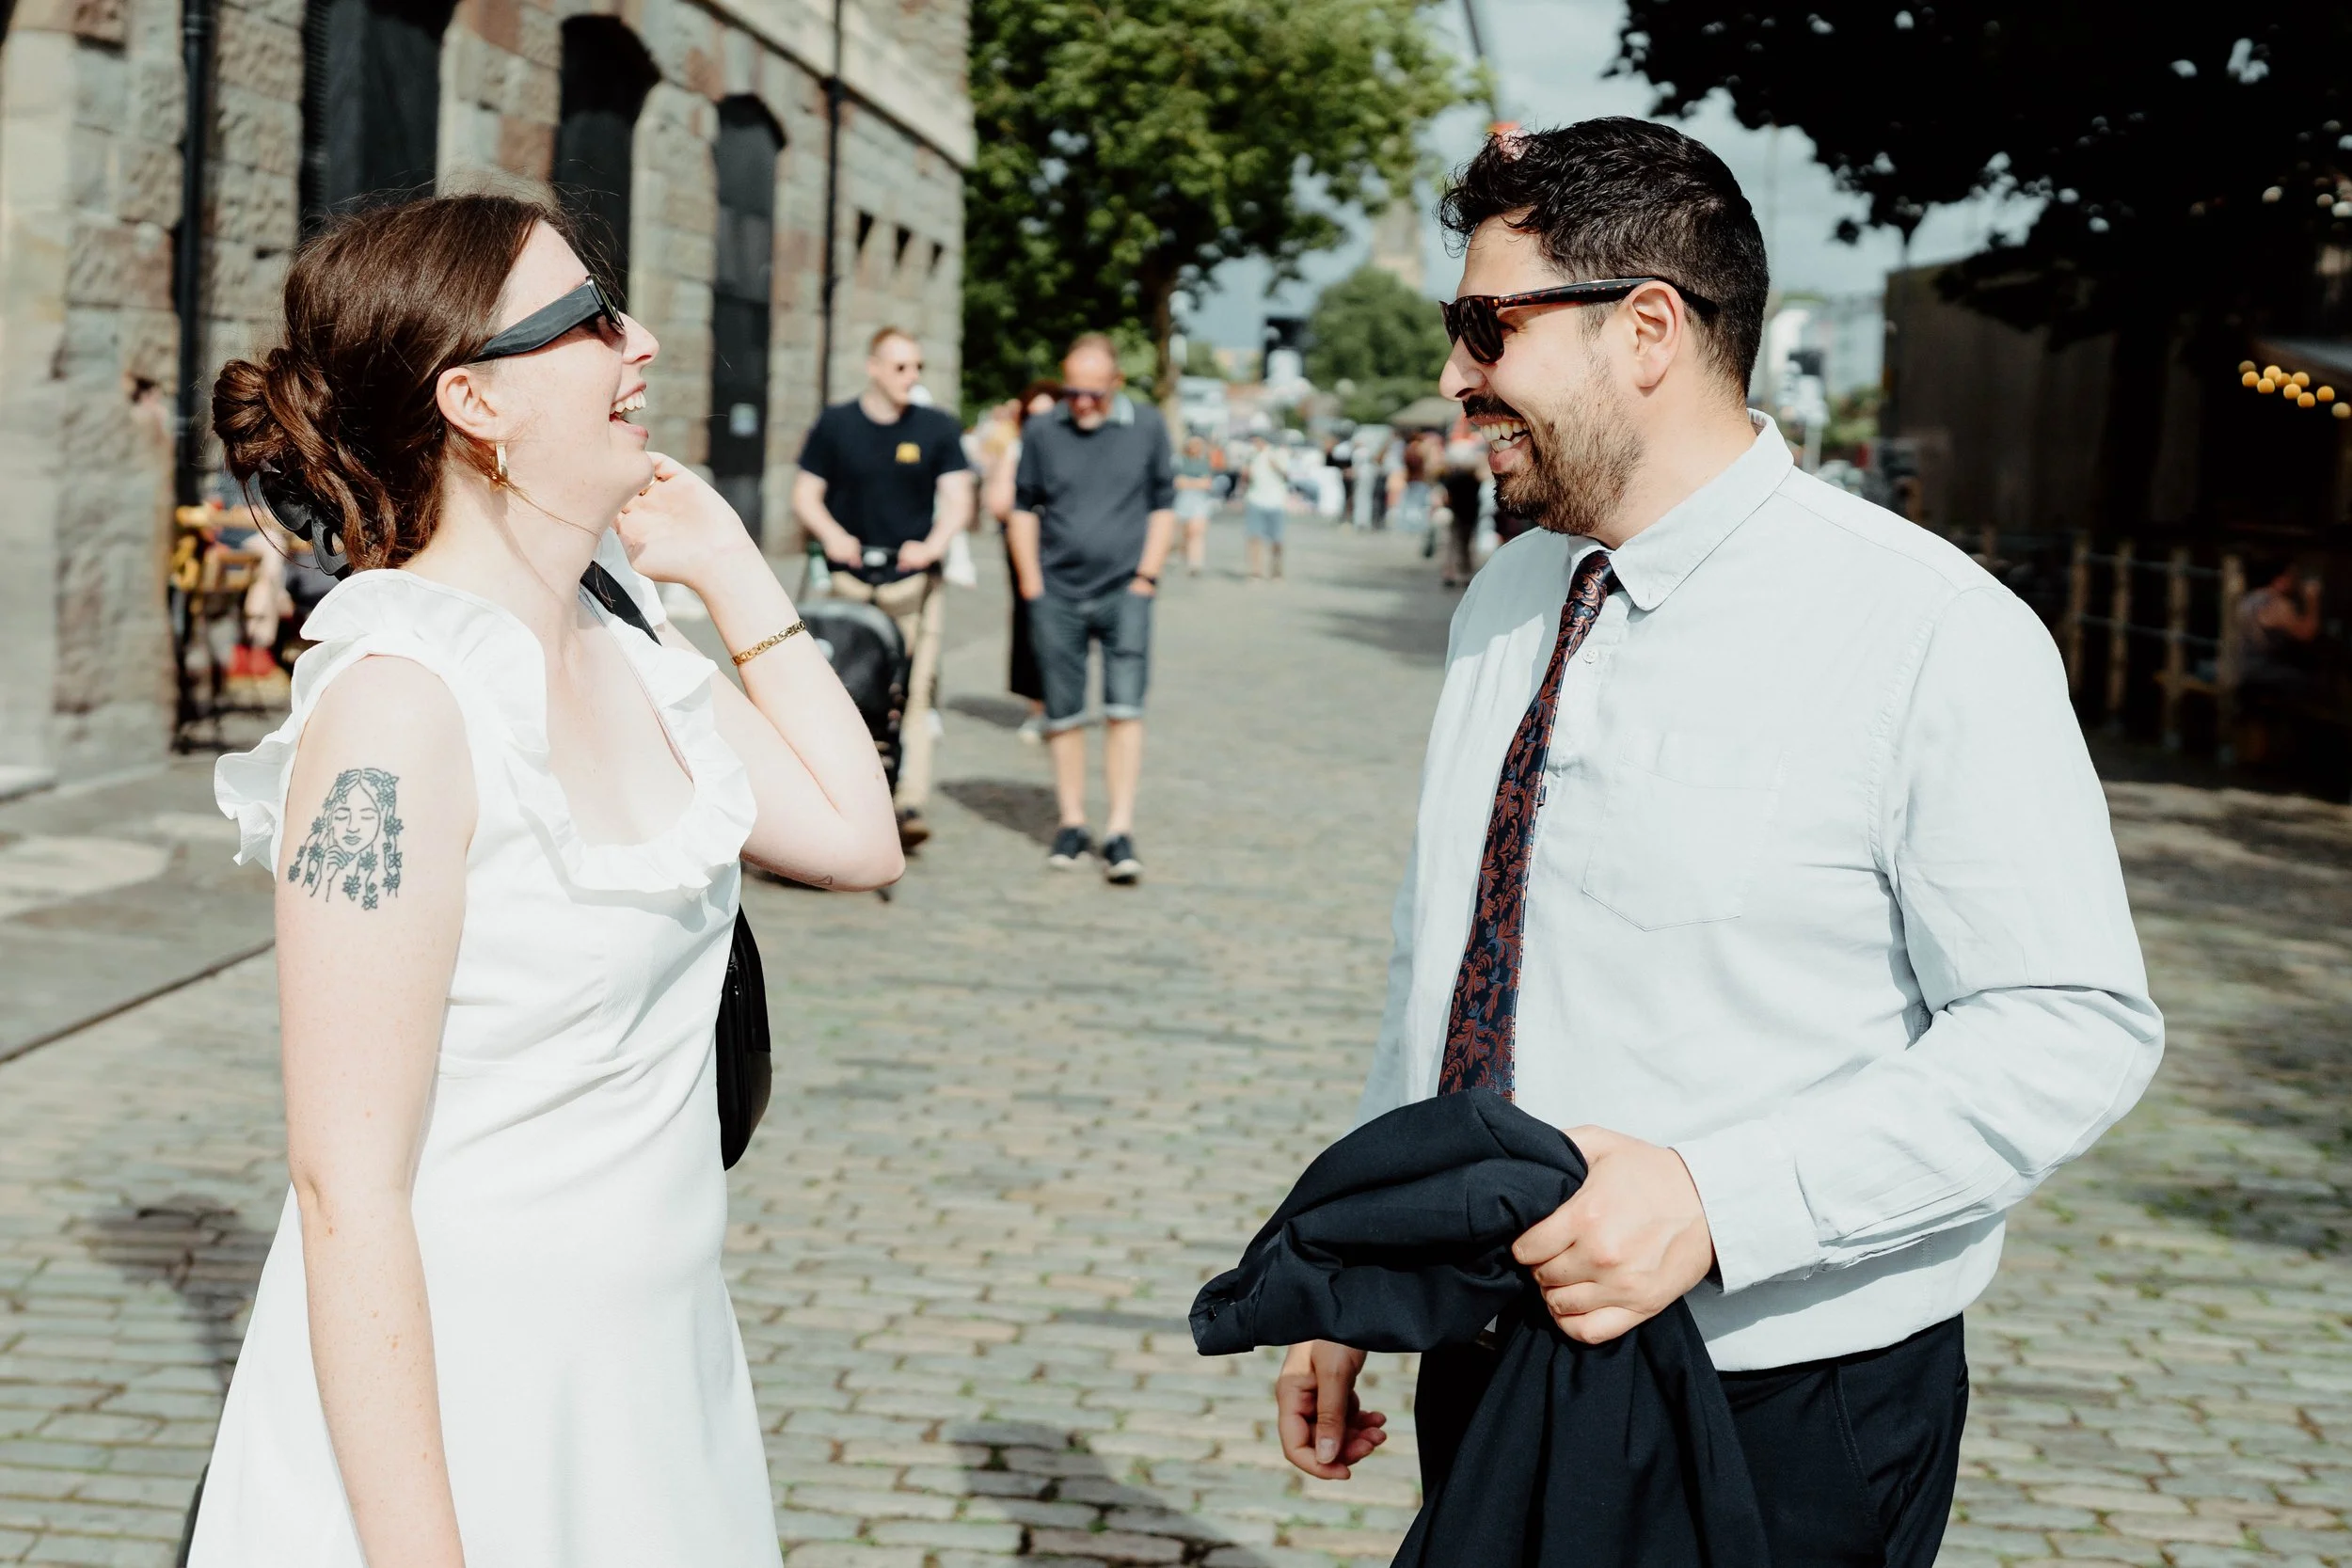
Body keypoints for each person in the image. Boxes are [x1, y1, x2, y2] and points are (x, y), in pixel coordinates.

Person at [1274, 119, 2162, 1568]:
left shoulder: (1931, 632)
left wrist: (1715, 1199)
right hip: (1497, 1347)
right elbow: (1447, 953)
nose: (1454, 374)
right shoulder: (1508, 597)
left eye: (1483, 325)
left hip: (1783, 1390)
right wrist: (1366, 1254)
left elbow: (2072, 1025)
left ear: (1646, 328)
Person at [191, 194, 903, 1567]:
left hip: (657, 1385)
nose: (635, 342)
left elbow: (854, 836)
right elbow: (347, 1187)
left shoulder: (624, 646)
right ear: (475, 399)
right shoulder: (401, 710)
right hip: (461, 1411)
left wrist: (729, 569)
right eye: (585, 320)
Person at [793, 325, 977, 849]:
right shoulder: (836, 425)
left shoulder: (937, 428)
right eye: (900, 367)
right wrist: (833, 536)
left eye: (917, 367)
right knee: (842, 687)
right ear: (873, 367)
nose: (911, 377)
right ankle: (843, 793)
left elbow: (959, 498)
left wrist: (935, 543)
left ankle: (908, 800)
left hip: (911, 584)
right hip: (851, 581)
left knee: (913, 690)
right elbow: (807, 494)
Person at [1007, 332, 1176, 884]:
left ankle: (1120, 828)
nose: (1081, 403)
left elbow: (1162, 504)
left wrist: (1147, 576)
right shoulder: (1041, 429)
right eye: (1072, 392)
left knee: (1124, 709)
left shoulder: (1148, 426)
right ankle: (1072, 820)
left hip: (1125, 590)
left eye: (1093, 394)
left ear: (1115, 385)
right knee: (1063, 712)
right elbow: (1023, 507)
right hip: (1056, 592)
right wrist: (1032, 584)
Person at [982, 379, 1061, 740]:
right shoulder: (1017, 449)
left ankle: (1062, 701)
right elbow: (998, 504)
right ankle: (1038, 704)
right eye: (1034, 415)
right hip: (1026, 545)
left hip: (1065, 548)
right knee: (1031, 622)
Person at [1242, 435, 1288, 580]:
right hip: (1255, 500)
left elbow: (1287, 475)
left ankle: (1276, 569)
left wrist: (1274, 464)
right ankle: (1256, 570)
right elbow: (1246, 479)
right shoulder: (1251, 456)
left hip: (1276, 502)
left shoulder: (1279, 453)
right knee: (1254, 537)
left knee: (1277, 539)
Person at [1174, 434, 1216, 574]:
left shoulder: (1204, 463)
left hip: (1199, 502)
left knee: (1197, 531)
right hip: (1182, 501)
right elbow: (1177, 482)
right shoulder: (1179, 461)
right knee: (1185, 533)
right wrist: (1196, 483)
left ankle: (1196, 562)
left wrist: (1189, 482)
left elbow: (1207, 483)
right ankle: (1185, 555)